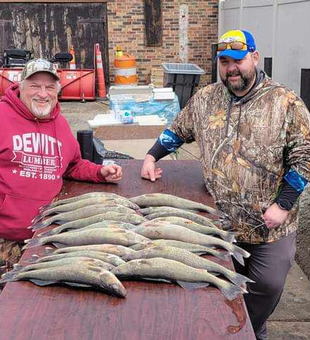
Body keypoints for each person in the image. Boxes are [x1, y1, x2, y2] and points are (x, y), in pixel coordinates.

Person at [141, 29, 310, 339]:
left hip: (268, 226)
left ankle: (251, 328)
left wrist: (283, 204)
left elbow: (305, 156)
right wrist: (152, 156)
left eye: (239, 60)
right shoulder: (206, 98)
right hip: (216, 224)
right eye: (224, 61)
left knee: (268, 286)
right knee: (212, 286)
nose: (231, 68)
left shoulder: (285, 102)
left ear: (255, 58)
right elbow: (178, 130)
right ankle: (225, 328)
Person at [0, 58, 122, 278]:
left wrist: (98, 172)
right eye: (35, 86)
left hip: (51, 236)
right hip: (6, 240)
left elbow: (73, 164)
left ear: (58, 90)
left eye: (49, 87)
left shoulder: (60, 123)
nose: (43, 93)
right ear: (20, 86)